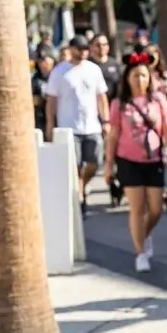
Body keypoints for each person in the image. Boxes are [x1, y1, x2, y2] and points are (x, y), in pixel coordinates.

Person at [103, 49, 167, 273]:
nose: (140, 79)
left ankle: (144, 235)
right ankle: (140, 252)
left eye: (144, 75)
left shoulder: (158, 100)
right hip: (128, 160)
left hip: (153, 159)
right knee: (137, 208)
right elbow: (114, 134)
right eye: (135, 75)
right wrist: (109, 164)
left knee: (155, 209)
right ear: (127, 78)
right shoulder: (119, 104)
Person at [44, 34, 110, 215]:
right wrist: (51, 124)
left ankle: (81, 185)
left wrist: (106, 120)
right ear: (71, 50)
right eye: (78, 49)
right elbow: (51, 101)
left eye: (85, 50)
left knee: (94, 163)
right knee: (75, 164)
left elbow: (101, 96)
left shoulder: (94, 70)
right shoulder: (59, 72)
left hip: (92, 125)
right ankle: (79, 196)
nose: (82, 53)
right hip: (69, 127)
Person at [88, 34, 122, 102]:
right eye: (98, 45)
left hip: (112, 105)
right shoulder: (87, 65)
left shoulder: (114, 63)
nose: (101, 47)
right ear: (91, 47)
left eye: (104, 44)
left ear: (108, 46)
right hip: (94, 106)